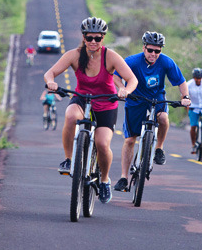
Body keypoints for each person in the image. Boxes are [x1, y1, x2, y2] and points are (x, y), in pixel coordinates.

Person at [44, 17, 138, 204]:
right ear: (84, 37)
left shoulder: (110, 56)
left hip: (106, 103)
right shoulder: (74, 55)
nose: (93, 42)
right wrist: (51, 82)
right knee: (70, 116)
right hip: (82, 98)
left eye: (97, 38)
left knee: (102, 143)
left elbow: (132, 79)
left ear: (103, 38)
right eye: (89, 38)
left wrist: (125, 90)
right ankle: (69, 160)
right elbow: (50, 73)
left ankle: (104, 181)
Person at [113, 31, 191, 192]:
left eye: (157, 51)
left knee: (163, 118)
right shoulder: (132, 61)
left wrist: (186, 97)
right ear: (144, 48)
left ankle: (159, 149)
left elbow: (181, 81)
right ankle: (123, 178)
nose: (154, 54)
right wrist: (122, 89)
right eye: (150, 50)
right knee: (129, 140)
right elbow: (116, 76)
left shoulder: (166, 62)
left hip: (157, 99)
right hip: (135, 101)